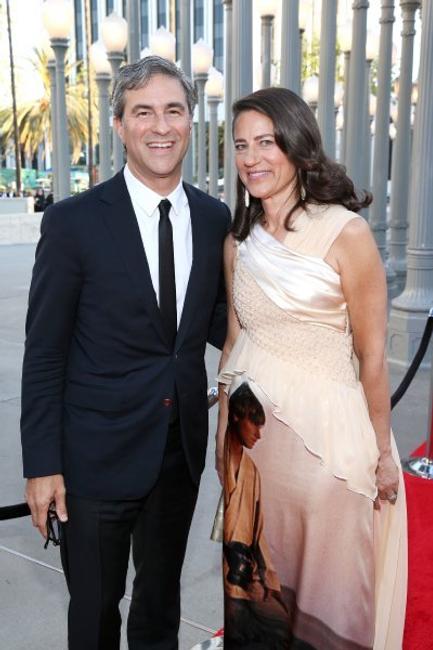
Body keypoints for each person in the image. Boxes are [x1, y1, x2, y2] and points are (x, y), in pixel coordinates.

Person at [21, 55, 231, 650]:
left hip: (177, 453)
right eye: (143, 112)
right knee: (93, 614)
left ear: (192, 120)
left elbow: (218, 322)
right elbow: (44, 355)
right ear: (119, 125)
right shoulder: (73, 223)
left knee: (160, 607)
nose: (160, 126)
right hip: (93, 461)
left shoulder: (215, 219)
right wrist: (42, 465)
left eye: (173, 110)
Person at [216, 87, 407, 650]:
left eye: (267, 142)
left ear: (297, 146)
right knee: (258, 598)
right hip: (250, 451)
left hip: (328, 453)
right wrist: (221, 444)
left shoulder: (346, 234)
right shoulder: (238, 242)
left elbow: (372, 357)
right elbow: (233, 342)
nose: (252, 158)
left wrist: (381, 454)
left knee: (329, 591)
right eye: (242, 145)